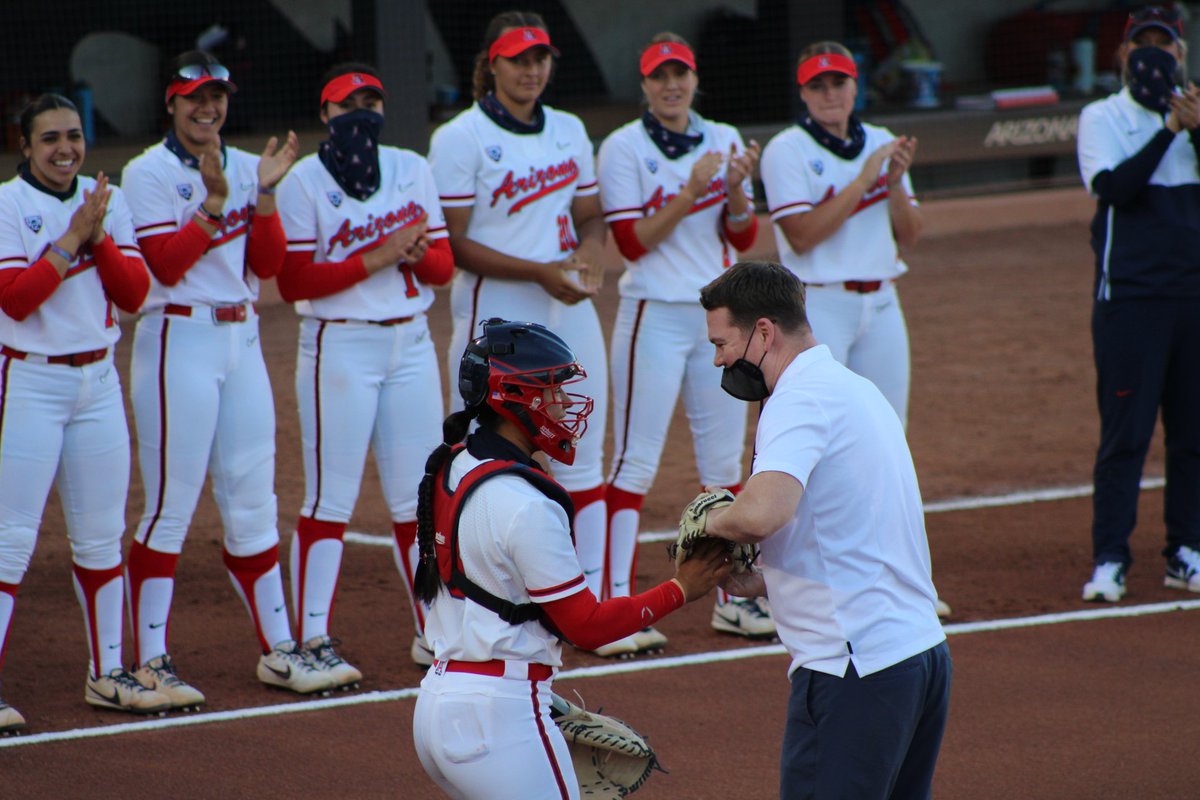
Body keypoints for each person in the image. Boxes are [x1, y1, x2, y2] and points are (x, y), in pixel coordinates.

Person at [411, 318, 729, 799]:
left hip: (439, 704)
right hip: (500, 717)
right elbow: (586, 626)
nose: (564, 404)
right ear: (515, 396)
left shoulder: (453, 463)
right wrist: (682, 588)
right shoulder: (527, 504)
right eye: (553, 390)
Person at [120, 51, 332, 706]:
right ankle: (150, 658)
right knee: (170, 505)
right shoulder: (146, 173)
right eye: (194, 98)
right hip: (177, 338)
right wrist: (214, 204)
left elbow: (266, 265)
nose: (207, 109)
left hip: (240, 340)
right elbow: (166, 265)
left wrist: (263, 193)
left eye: (216, 97)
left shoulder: (247, 166)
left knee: (252, 499)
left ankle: (279, 649)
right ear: (171, 103)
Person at [698, 261, 951, 800]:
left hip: (854, 669)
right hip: (920, 655)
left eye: (721, 342)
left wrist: (708, 518)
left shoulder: (797, 399)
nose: (718, 358)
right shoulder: (856, 389)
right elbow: (853, 537)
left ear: (764, 331)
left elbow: (762, 514)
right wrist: (768, 581)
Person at [427, 11, 612, 651]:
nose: (531, 70)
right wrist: (541, 270)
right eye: (518, 59)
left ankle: (584, 598)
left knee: (581, 443)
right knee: (476, 450)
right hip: (494, 320)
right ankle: (454, 605)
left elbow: (590, 215)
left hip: (566, 308)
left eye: (540, 58)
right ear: (492, 64)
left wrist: (587, 256)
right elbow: (452, 242)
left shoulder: (569, 128)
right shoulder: (461, 136)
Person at [275, 63, 455, 680]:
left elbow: (442, 269)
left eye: (371, 100)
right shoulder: (302, 181)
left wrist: (418, 251)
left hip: (409, 342)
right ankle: (310, 640)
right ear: (325, 114)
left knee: (420, 500)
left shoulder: (412, 167)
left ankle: (433, 628)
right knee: (331, 496)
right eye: (348, 103)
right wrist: (380, 255)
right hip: (339, 345)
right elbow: (293, 280)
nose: (362, 112)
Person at [760, 46, 953, 618]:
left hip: (881, 304)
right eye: (819, 85)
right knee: (807, 444)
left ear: (855, 85)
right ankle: (801, 584)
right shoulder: (786, 150)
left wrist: (891, 182)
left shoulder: (883, 140)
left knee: (888, 441)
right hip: (817, 308)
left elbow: (910, 233)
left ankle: (901, 582)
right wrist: (866, 175)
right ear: (803, 92)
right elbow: (801, 235)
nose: (831, 94)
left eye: (840, 82)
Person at [596, 33, 772, 653]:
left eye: (681, 74)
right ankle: (614, 604)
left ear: (696, 80)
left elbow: (743, 235)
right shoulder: (622, 146)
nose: (672, 85)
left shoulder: (723, 136)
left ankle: (730, 598)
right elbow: (632, 244)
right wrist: (693, 189)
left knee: (723, 469)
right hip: (652, 312)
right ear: (644, 85)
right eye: (660, 76)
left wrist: (734, 189)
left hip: (714, 317)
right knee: (633, 462)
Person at [0, 94, 166, 730]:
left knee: (101, 537)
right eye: (50, 139)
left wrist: (100, 237)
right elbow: (18, 302)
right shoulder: (10, 205)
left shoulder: (109, 199)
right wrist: (76, 237)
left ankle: (107, 672)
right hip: (30, 383)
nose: (65, 149)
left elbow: (133, 294)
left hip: (97, 382)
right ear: (25, 145)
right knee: (11, 540)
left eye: (73, 136)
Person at [1077, 5, 1200, 603]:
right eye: (1143, 43)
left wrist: (1193, 127)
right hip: (1130, 301)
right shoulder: (1102, 116)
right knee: (1125, 435)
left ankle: (1186, 550)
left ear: (1180, 53)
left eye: (1165, 44)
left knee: (1193, 432)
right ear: (1124, 54)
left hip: (1193, 299)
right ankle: (1110, 558)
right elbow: (1115, 189)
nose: (1154, 53)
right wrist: (1170, 131)